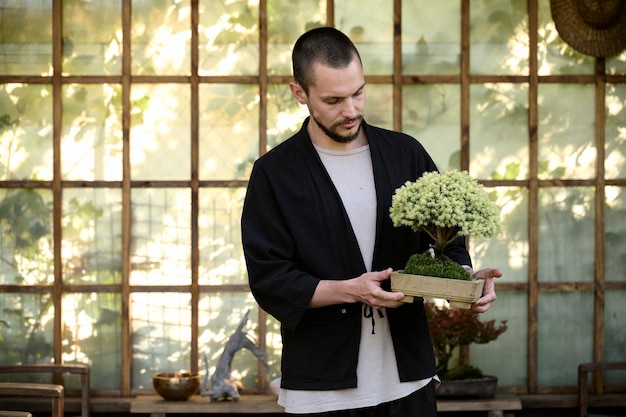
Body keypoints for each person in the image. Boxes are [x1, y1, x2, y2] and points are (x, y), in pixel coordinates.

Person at [241, 26, 502, 417]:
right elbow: (270, 279)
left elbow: (445, 243)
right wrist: (351, 290)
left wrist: (464, 281)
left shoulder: (406, 154)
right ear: (300, 93)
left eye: (358, 92)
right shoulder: (275, 174)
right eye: (333, 100)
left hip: (408, 383)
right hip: (322, 391)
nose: (352, 110)